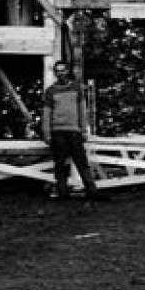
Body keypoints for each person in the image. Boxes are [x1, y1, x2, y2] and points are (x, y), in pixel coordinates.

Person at [42, 60, 103, 201]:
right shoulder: (50, 91)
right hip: (57, 132)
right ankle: (63, 193)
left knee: (82, 162)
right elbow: (46, 114)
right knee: (60, 164)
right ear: (55, 73)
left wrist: (83, 130)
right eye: (58, 71)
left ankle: (92, 192)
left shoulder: (77, 88)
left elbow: (82, 111)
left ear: (67, 71)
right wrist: (47, 134)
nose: (60, 73)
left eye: (63, 70)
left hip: (74, 131)